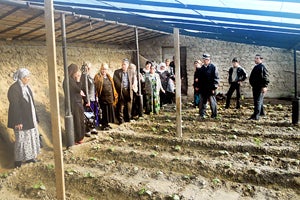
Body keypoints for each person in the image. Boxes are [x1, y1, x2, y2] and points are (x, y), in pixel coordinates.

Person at [7, 68, 41, 168]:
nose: (29, 79)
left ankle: (30, 157)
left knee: (29, 137)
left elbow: (31, 103)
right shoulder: (14, 89)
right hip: (20, 119)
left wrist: (35, 117)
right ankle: (18, 161)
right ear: (21, 78)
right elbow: (15, 106)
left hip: (29, 117)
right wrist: (18, 121)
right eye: (27, 77)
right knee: (21, 139)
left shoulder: (26, 87)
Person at [63, 63, 85, 144]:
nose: (77, 73)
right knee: (76, 121)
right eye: (76, 72)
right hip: (73, 104)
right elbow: (78, 89)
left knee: (79, 120)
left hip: (76, 103)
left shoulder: (70, 80)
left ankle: (79, 137)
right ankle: (77, 138)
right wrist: (78, 80)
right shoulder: (68, 80)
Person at [194, 54, 220, 119]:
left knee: (212, 102)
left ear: (209, 60)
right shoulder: (202, 68)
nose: (205, 61)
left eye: (207, 60)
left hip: (210, 88)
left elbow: (216, 78)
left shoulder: (213, 67)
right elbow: (199, 79)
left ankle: (214, 115)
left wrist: (214, 87)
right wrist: (197, 86)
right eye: (204, 59)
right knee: (202, 102)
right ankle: (202, 114)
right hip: (203, 88)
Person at [94, 63, 118, 130]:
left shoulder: (108, 76)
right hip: (103, 98)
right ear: (101, 69)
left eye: (105, 69)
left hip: (110, 98)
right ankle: (104, 125)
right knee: (104, 112)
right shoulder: (98, 76)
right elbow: (96, 87)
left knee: (109, 112)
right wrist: (96, 95)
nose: (104, 70)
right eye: (103, 69)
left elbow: (112, 86)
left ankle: (107, 124)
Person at [113, 59, 135, 124]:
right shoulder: (117, 72)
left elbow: (133, 80)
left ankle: (128, 118)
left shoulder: (131, 72)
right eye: (122, 64)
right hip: (121, 91)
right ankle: (121, 120)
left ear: (128, 65)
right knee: (121, 106)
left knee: (129, 106)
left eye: (124, 65)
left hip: (128, 91)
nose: (123, 66)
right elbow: (115, 81)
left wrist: (132, 87)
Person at [248, 54, 270, 120]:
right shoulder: (257, 67)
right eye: (255, 58)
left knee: (257, 101)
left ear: (261, 59)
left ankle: (256, 116)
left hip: (259, 87)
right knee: (260, 100)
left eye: (257, 58)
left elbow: (265, 77)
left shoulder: (262, 67)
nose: (255, 59)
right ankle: (261, 113)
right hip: (256, 86)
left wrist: (264, 86)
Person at [80, 61, 98, 135]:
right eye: (88, 68)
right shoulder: (83, 77)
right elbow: (84, 89)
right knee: (87, 114)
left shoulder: (89, 76)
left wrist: (96, 96)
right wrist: (87, 100)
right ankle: (87, 130)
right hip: (88, 99)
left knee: (92, 114)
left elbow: (93, 87)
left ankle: (92, 127)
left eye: (90, 68)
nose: (89, 69)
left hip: (92, 97)